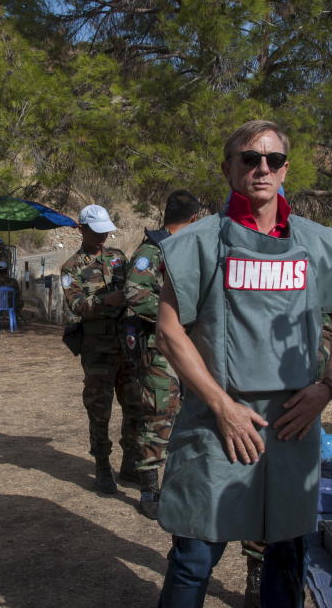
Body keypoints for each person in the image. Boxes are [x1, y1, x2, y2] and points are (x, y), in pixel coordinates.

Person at [154, 120, 332, 607]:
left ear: (285, 168)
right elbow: (169, 332)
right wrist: (222, 407)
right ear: (229, 168)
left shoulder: (320, 243)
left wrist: (327, 386)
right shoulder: (196, 244)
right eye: (250, 158)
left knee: (287, 552)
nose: (262, 168)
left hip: (294, 421)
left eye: (272, 159)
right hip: (217, 421)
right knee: (195, 554)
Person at [123, 189, 201, 520]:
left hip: (179, 346)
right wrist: (176, 316)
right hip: (157, 348)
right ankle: (149, 488)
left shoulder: (180, 249)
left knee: (174, 413)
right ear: (193, 219)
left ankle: (158, 476)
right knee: (158, 414)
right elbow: (135, 293)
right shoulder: (153, 250)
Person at [61, 204, 142, 493]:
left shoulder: (118, 258)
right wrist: (108, 301)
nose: (103, 237)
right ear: (81, 229)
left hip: (127, 347)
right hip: (97, 350)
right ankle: (102, 466)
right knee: (99, 410)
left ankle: (131, 464)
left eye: (105, 231)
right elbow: (76, 304)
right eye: (96, 231)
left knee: (134, 406)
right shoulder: (72, 267)